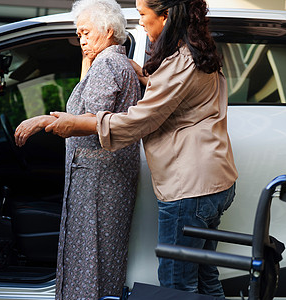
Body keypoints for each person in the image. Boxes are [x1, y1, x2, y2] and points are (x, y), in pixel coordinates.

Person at [43, 0, 238, 298]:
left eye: (144, 14)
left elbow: (144, 117)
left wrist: (81, 125)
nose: (141, 21)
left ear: (166, 15)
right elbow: (182, 96)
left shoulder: (180, 60)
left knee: (177, 285)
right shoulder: (197, 52)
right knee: (205, 279)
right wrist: (146, 77)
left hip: (189, 188)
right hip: (213, 181)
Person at [14, 0, 141, 299]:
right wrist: (88, 56)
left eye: (86, 32)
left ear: (108, 30)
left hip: (99, 180)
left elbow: (92, 119)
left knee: (90, 257)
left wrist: (43, 120)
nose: (82, 40)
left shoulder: (109, 64)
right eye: (79, 34)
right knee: (97, 257)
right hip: (104, 177)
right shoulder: (112, 62)